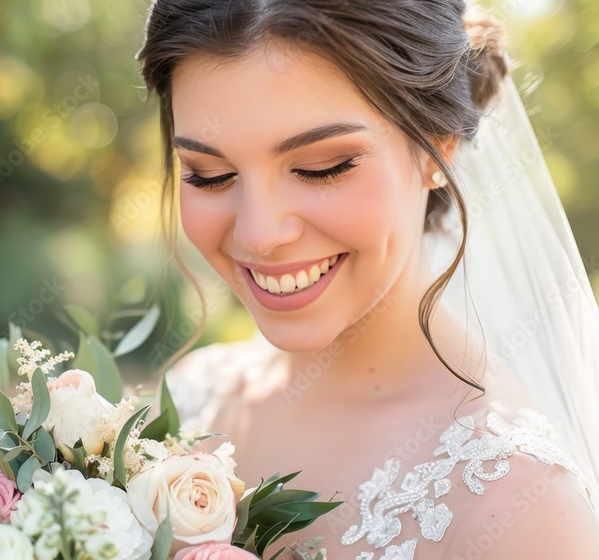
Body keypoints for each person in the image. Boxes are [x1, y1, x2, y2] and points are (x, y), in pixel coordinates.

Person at [136, 1, 599, 558]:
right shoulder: (185, 405)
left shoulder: (520, 507)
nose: (259, 234)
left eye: (321, 167)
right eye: (209, 175)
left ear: (438, 145)